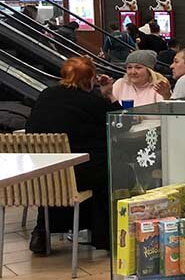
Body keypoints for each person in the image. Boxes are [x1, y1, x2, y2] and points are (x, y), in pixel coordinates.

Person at [25, 56, 119, 254]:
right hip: (81, 175)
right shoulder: (93, 102)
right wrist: (109, 94)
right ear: (91, 78)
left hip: (44, 173)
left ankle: (42, 230)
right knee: (113, 170)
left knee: (62, 172)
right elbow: (119, 123)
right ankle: (103, 234)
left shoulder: (46, 95)